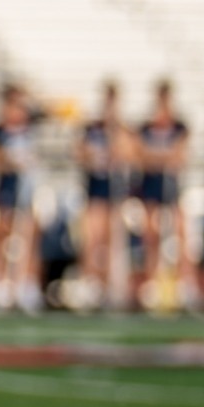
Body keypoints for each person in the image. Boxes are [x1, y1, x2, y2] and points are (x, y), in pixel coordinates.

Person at [0, 83, 43, 314]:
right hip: (5, 188)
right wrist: (9, 161)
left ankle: (25, 283)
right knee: (1, 232)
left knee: (28, 234)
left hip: (27, 189)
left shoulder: (31, 130)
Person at [77, 80, 136, 312]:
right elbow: (80, 153)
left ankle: (114, 284)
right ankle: (92, 283)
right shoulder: (92, 129)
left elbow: (132, 154)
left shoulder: (123, 129)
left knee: (115, 240)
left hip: (117, 192)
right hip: (96, 190)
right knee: (92, 237)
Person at [136, 79, 195, 309]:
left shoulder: (180, 126)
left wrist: (157, 156)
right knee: (151, 235)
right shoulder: (147, 127)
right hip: (151, 186)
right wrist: (162, 156)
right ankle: (152, 282)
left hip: (172, 187)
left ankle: (185, 283)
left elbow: (179, 156)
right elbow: (141, 156)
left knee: (180, 234)